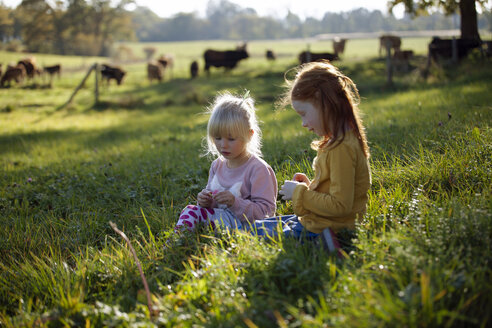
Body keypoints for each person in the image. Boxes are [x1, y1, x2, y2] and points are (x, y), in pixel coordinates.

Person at [251, 60, 371, 254]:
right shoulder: (341, 141)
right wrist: (309, 186)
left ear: (324, 103)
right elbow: (334, 192)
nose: (303, 123)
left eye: (304, 114)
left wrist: (299, 193)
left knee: (252, 232)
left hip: (328, 226)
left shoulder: (341, 149)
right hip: (323, 220)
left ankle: (327, 243)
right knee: (263, 224)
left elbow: (340, 205)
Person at [175, 91, 278, 232]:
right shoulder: (217, 165)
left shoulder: (257, 169)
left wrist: (235, 202)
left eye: (231, 139)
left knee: (193, 214)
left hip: (247, 227)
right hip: (222, 221)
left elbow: (266, 213)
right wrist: (205, 201)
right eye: (217, 138)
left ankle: (182, 241)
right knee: (192, 210)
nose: (223, 145)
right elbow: (214, 204)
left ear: (249, 135)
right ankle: (182, 241)